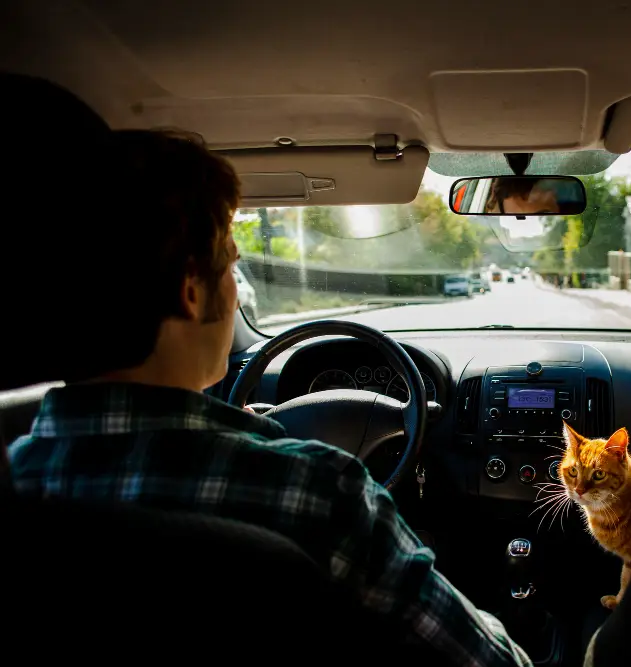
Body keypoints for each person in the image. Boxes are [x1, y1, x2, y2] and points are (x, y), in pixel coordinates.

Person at [7, 127, 532, 666]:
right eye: (232, 263)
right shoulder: (318, 490)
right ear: (192, 291)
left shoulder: (18, 477)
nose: (236, 281)